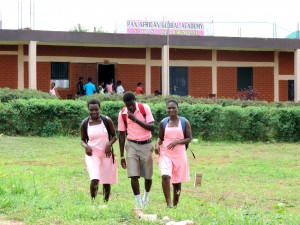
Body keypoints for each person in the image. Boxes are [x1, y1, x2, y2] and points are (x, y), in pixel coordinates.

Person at [118, 92, 155, 208]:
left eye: (132, 104)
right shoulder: (122, 114)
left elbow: (152, 127)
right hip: (132, 145)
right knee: (133, 175)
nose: (131, 107)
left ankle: (146, 197)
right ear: (125, 104)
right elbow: (121, 135)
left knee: (148, 176)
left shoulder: (145, 108)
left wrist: (135, 119)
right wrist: (122, 156)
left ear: (135, 100)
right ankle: (138, 203)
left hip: (146, 145)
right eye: (128, 105)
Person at [155, 99, 192, 208]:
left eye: (173, 108)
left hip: (180, 154)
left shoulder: (184, 122)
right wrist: (157, 145)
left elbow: (189, 138)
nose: (171, 110)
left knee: (177, 182)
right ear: (166, 109)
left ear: (177, 108)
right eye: (169, 108)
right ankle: (169, 204)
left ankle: (175, 204)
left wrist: (177, 141)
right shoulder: (163, 122)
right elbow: (160, 137)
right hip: (165, 154)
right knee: (165, 176)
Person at [80, 99, 117, 202]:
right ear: (88, 110)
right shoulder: (85, 123)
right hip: (92, 153)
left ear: (99, 109)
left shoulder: (106, 120)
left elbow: (114, 136)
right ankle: (93, 202)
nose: (94, 112)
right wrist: (86, 146)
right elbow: (82, 140)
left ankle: (105, 203)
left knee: (106, 179)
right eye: (91, 110)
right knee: (95, 178)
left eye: (96, 109)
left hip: (106, 153)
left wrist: (109, 144)